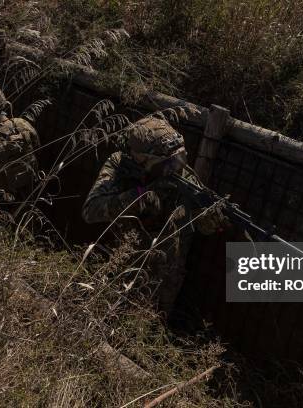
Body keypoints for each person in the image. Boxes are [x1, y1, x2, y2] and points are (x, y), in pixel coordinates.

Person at [82, 117, 229, 314]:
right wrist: (140, 197)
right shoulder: (120, 164)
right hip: (118, 264)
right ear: (143, 161)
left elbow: (204, 226)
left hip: (163, 279)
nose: (176, 168)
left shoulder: (183, 176)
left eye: (180, 159)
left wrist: (210, 218)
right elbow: (91, 211)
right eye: (168, 164)